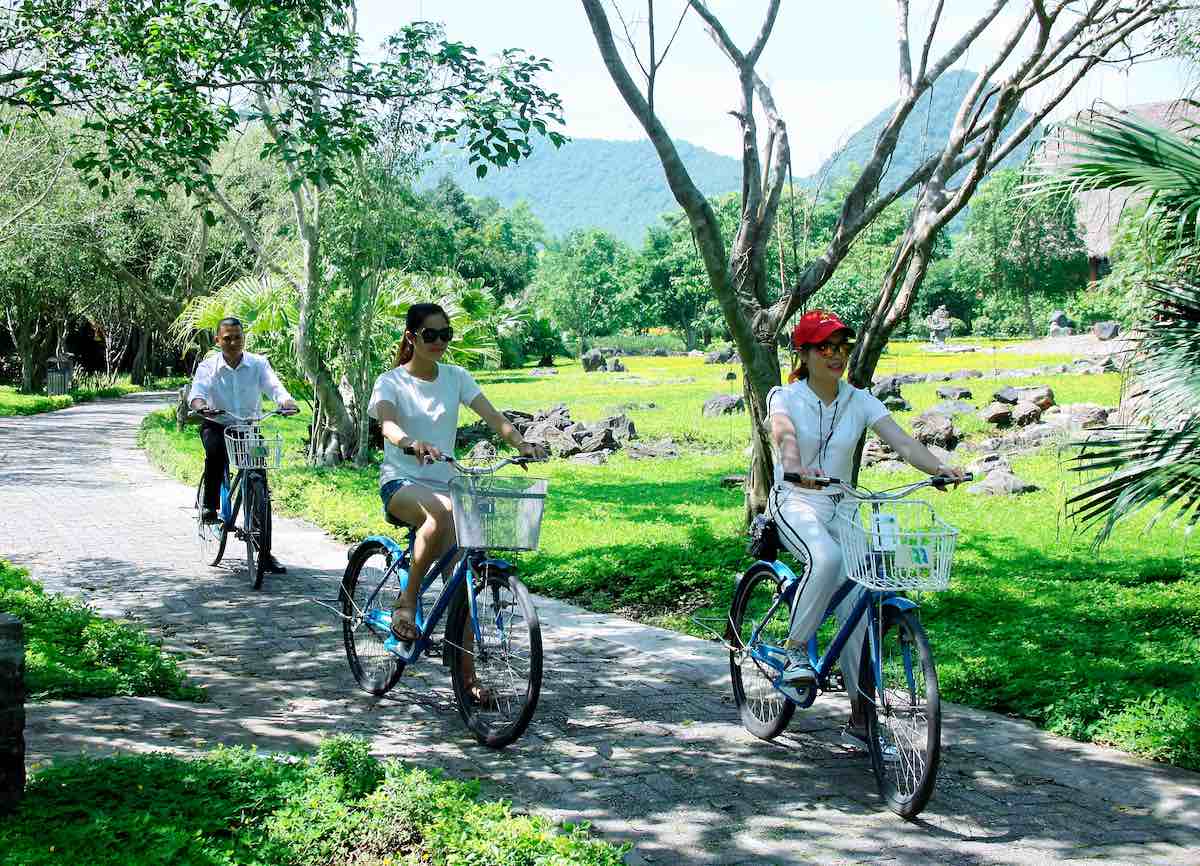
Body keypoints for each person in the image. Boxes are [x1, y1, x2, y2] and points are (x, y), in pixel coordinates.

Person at [766, 309, 966, 750]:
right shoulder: (785, 396)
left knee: (861, 603)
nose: (836, 355)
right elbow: (783, 434)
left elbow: (904, 441)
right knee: (828, 558)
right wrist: (796, 468)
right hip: (796, 501)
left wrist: (941, 468)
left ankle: (861, 719)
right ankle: (795, 649)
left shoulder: (859, 400)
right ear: (804, 352)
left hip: (843, 507)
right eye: (825, 347)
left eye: (841, 347)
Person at [367, 302, 546, 646]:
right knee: (441, 513)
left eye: (444, 334)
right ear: (411, 337)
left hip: (448, 485)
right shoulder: (390, 381)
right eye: (429, 334)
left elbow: (495, 418)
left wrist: (523, 444)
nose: (438, 341)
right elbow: (387, 423)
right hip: (401, 481)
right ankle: (407, 601)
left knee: (461, 587)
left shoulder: (456, 377)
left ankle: (468, 678)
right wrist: (410, 442)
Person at [188, 316, 299, 574]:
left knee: (260, 477)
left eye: (237, 337)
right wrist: (202, 407)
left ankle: (265, 552)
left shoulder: (258, 364)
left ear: (243, 338)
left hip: (249, 428)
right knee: (215, 453)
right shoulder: (208, 367)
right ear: (218, 341)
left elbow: (274, 387)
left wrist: (285, 402)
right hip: (218, 424)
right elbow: (197, 394)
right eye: (227, 338)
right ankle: (210, 505)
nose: (233, 342)